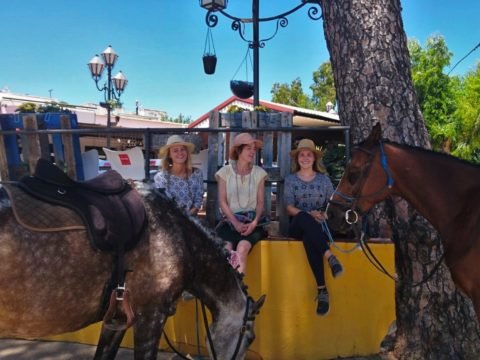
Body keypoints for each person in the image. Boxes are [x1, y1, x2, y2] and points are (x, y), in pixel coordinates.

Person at [284, 138, 343, 316]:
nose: (305, 158)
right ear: (297, 159)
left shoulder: (324, 180)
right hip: (298, 224)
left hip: (319, 226)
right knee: (303, 216)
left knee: (311, 238)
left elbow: (332, 205)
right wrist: (310, 214)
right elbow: (289, 208)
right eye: (302, 155)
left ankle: (322, 290)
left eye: (309, 155)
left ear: (314, 158)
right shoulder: (290, 179)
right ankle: (329, 256)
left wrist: (324, 214)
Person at [215, 133, 268, 274]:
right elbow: (222, 201)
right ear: (239, 150)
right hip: (230, 223)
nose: (252, 152)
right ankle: (228, 291)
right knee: (226, 251)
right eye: (248, 148)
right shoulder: (224, 173)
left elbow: (261, 202)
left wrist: (254, 222)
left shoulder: (259, 173)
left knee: (242, 249)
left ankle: (238, 292)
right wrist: (235, 223)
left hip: (252, 223)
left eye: (254, 148)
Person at [154, 135, 204, 216]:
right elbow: (163, 204)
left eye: (182, 149)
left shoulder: (197, 174)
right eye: (175, 150)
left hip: (192, 220)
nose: (180, 153)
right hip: (170, 221)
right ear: (169, 155)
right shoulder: (161, 177)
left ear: (187, 152)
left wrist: (188, 218)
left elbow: (198, 201)